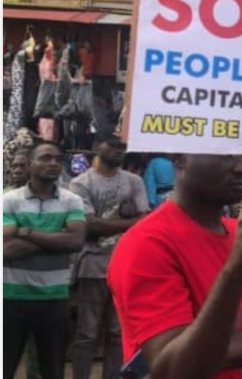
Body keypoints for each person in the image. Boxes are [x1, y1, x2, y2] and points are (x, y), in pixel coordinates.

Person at [107, 154, 242, 379]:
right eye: (225, 154)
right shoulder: (147, 244)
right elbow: (175, 369)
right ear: (180, 158)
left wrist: (208, 351)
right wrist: (236, 269)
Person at [4, 141, 86, 379]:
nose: (54, 163)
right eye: (46, 158)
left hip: (54, 299)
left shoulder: (72, 200)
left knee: (52, 370)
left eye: (58, 159)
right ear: (30, 165)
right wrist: (56, 237)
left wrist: (25, 231)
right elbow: (5, 249)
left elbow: (75, 242)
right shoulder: (10, 200)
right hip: (10, 299)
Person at [69, 136, 149, 379]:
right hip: (92, 264)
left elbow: (145, 222)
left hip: (126, 266)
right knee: (87, 332)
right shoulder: (80, 183)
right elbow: (90, 226)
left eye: (122, 148)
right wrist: (129, 222)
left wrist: (111, 224)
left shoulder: (134, 181)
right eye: (113, 146)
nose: (118, 152)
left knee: (118, 332)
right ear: (97, 148)